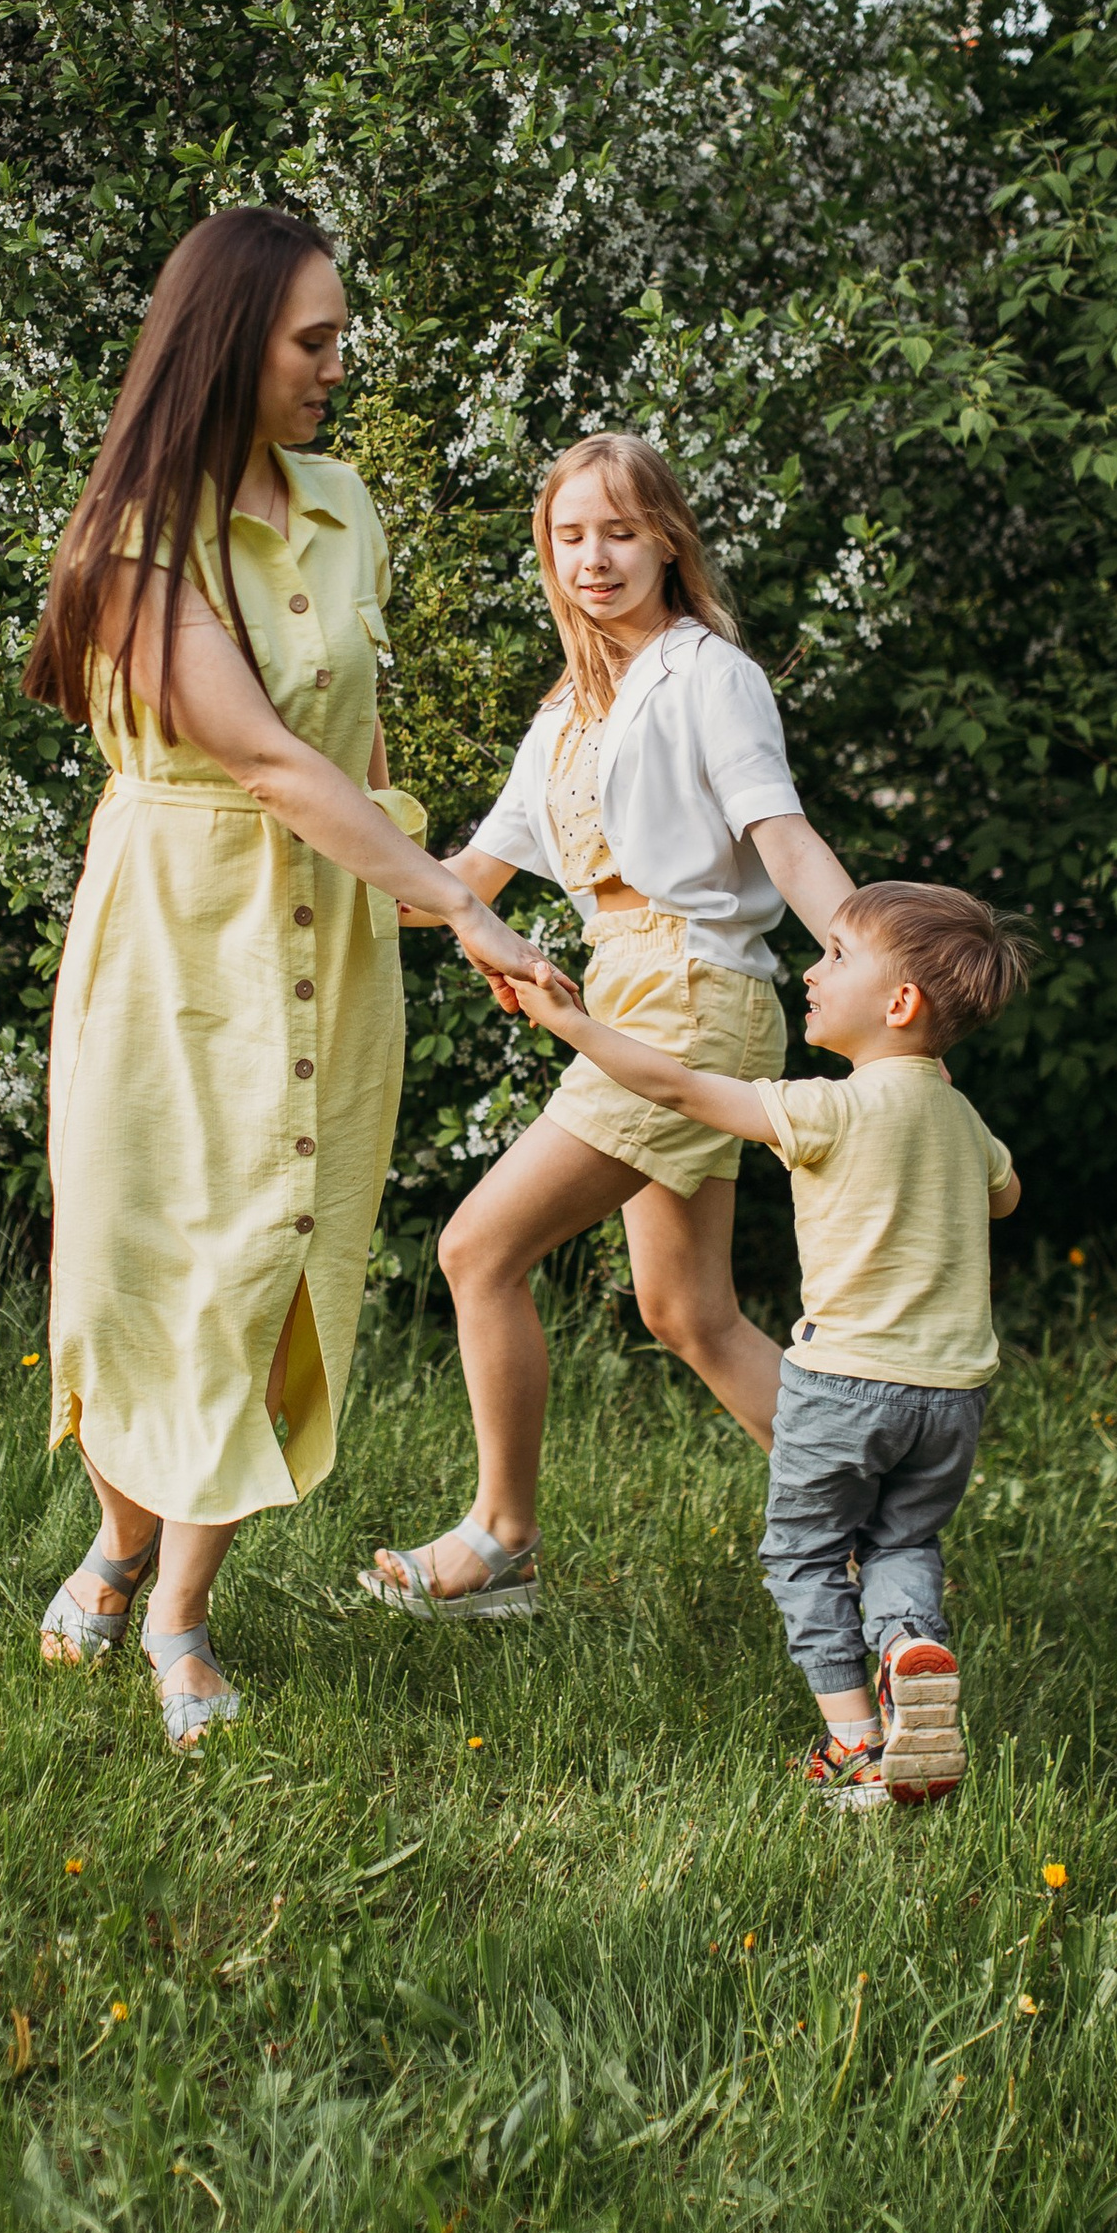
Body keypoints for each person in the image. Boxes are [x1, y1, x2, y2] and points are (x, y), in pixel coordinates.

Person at [25, 208, 567, 1749]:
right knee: (149, 1272)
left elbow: (347, 745)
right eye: (313, 341)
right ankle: (126, 1547)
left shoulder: (341, 507)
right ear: (228, 347)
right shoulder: (137, 542)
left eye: (339, 336)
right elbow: (257, 754)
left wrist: (422, 875)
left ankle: (176, 1609)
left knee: (269, 1270)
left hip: (324, 942)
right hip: (170, 935)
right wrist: (462, 909)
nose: (339, 365)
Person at [361, 432, 857, 1622]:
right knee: (688, 1311)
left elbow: (779, 836)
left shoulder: (706, 675)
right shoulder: (569, 715)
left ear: (667, 542)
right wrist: (334, 821)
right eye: (571, 535)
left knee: (477, 1252)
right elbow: (458, 882)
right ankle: (873, 1534)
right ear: (548, 552)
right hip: (626, 994)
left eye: (621, 531)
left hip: (691, 997)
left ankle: (501, 1541)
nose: (595, 557)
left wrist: (875, 962)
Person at [505, 879, 1031, 1806]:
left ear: (900, 1004)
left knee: (806, 1556)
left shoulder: (827, 1110)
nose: (813, 972)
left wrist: (574, 1023)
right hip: (952, 1396)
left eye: (835, 957)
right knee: (902, 1538)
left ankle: (856, 1748)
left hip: (843, 1388)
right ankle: (909, 1645)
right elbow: (1005, 1195)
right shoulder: (962, 1119)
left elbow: (675, 1085)